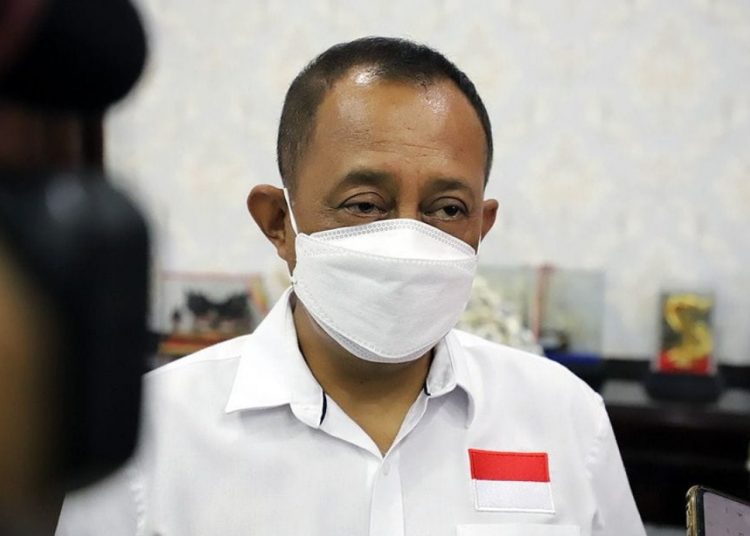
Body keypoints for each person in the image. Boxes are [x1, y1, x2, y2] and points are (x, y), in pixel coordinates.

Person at [56, 37, 646, 536]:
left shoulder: (567, 418)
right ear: (279, 223)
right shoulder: (149, 435)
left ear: (481, 226)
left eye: (447, 209)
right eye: (364, 205)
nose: (408, 240)